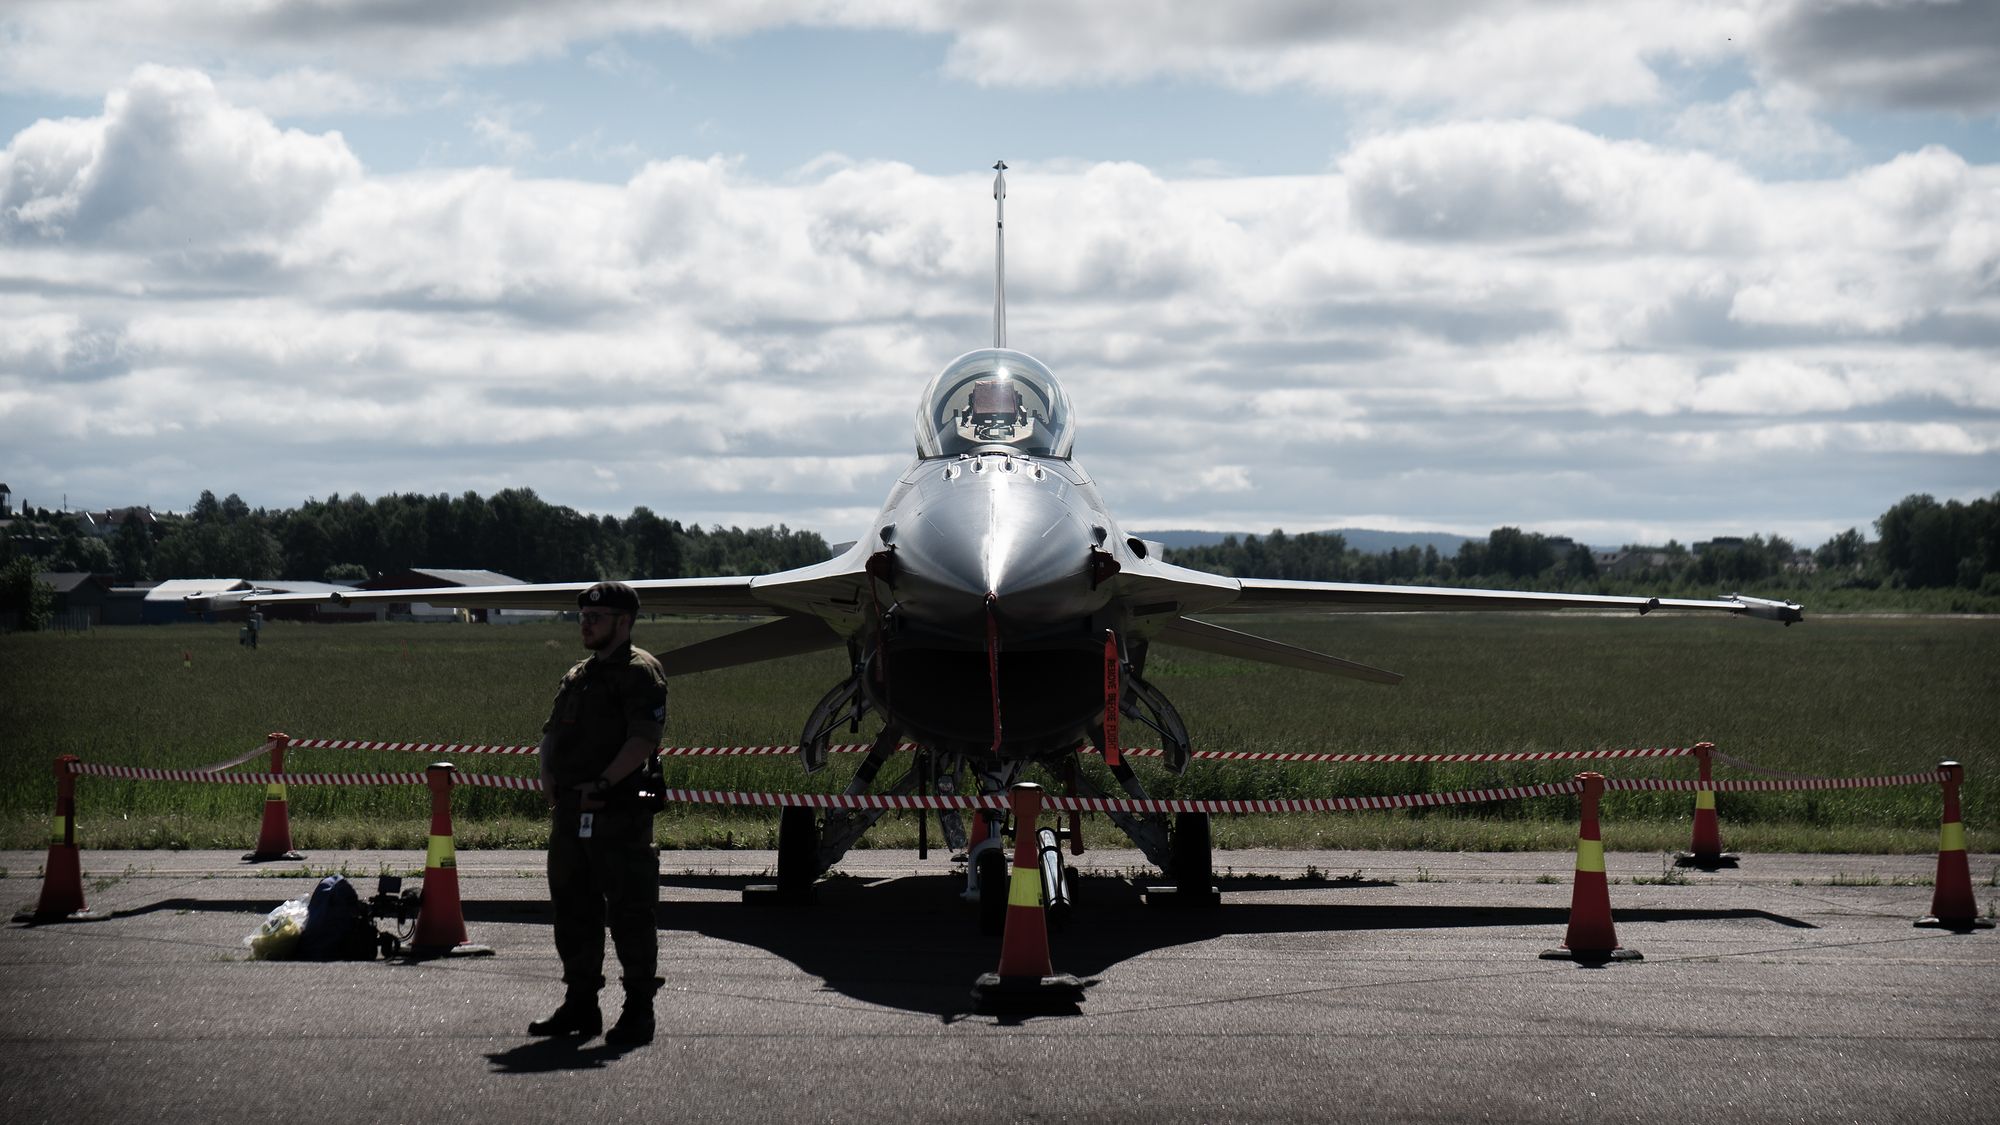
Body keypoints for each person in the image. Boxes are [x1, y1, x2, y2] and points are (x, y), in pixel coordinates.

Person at [528, 581, 668, 1046]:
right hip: (570, 813)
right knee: (573, 911)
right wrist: (547, 773)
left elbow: (642, 739)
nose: (586, 623)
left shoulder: (639, 672)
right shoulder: (579, 674)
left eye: (597, 617)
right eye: (584, 616)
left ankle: (638, 1010)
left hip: (618, 813)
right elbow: (550, 733)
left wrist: (604, 783)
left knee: (630, 912)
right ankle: (581, 1004)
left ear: (623, 622)